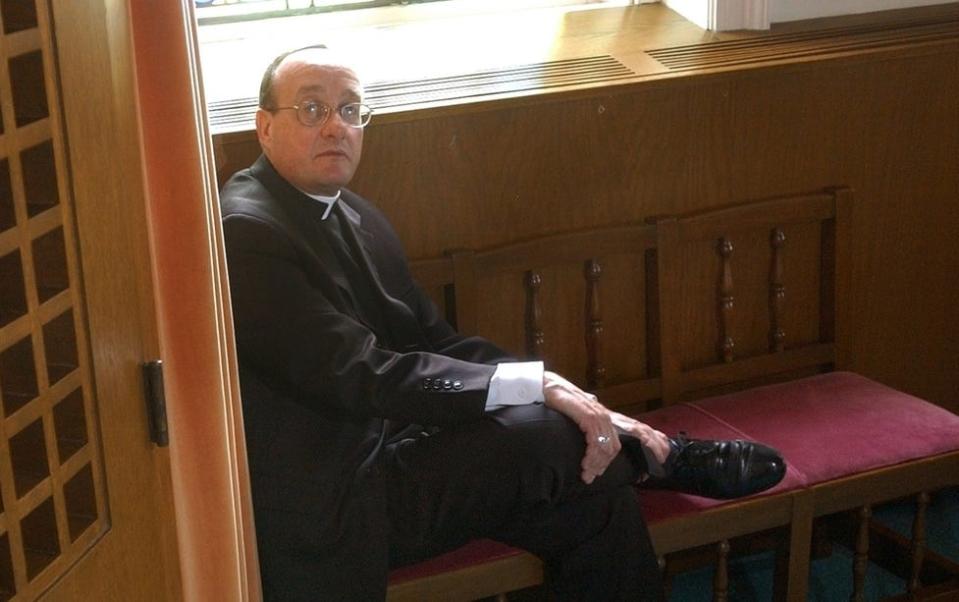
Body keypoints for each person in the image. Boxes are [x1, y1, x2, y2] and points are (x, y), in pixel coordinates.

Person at [220, 46, 785, 601]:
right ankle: (658, 458)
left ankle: (629, 445)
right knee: (544, 433)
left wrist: (564, 391)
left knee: (594, 501)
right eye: (313, 109)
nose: (335, 127)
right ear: (264, 127)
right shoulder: (247, 232)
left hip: (401, 445)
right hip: (341, 495)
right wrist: (539, 390)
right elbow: (366, 374)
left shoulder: (355, 212)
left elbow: (435, 341)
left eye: (350, 110)